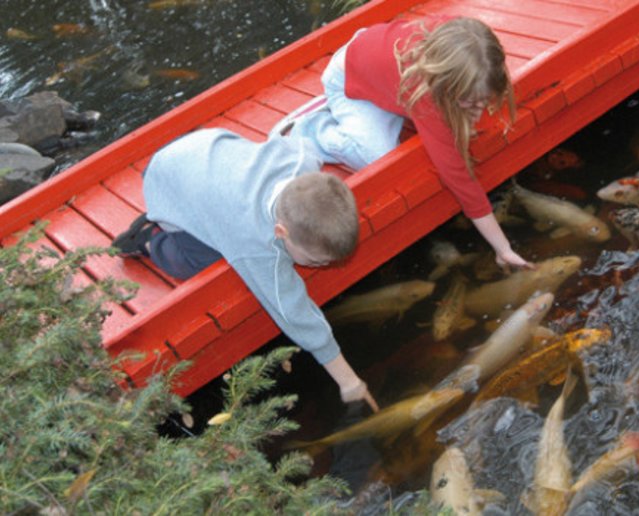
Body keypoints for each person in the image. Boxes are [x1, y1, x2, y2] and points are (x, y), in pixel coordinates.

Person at [112, 128, 379, 412]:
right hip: (163, 181)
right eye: (315, 261)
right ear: (280, 232)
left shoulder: (301, 160)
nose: (323, 267)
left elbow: (303, 143)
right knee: (203, 260)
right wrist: (349, 381)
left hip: (200, 147)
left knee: (225, 230)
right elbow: (293, 312)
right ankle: (154, 241)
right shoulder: (254, 243)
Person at [277, 15, 533, 271]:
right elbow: (459, 178)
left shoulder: (466, 47)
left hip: (381, 63)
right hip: (348, 81)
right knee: (377, 157)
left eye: (483, 102)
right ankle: (314, 130)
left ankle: (390, 105)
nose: (478, 113)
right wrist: (503, 248)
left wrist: (468, 105)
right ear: (444, 87)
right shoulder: (425, 98)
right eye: (470, 103)